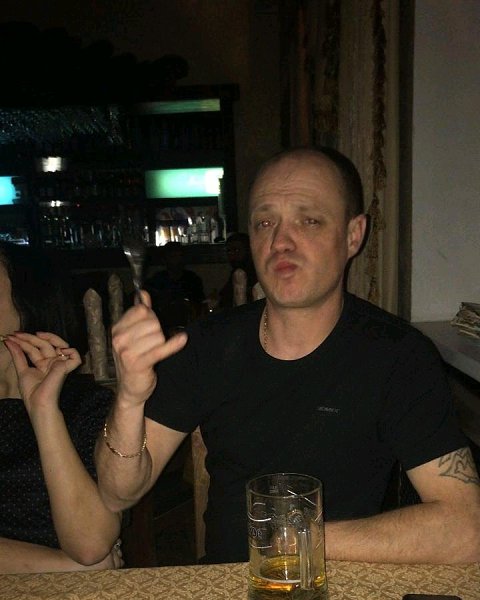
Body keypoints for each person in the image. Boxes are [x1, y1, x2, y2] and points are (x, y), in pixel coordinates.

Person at [95, 146, 480, 565]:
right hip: (227, 584)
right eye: (265, 223)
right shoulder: (207, 344)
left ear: (353, 235)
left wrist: (297, 541)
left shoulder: (398, 356)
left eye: (308, 220)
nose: (280, 241)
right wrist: (130, 397)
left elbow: (467, 529)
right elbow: (117, 494)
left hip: (340, 580)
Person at [0, 242, 122, 573]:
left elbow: (90, 545)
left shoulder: (85, 405)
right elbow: (92, 565)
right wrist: (60, 566)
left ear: (29, 302)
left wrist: (43, 410)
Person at [144, 241, 205, 334]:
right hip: (162, 329)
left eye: (180, 256)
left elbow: (199, 305)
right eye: (173, 257)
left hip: (189, 328)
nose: (177, 261)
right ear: (165, 260)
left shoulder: (192, 279)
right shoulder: (157, 281)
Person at [217, 232, 257, 309]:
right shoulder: (236, 271)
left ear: (249, 250)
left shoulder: (258, 273)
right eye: (229, 251)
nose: (232, 254)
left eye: (236, 250)